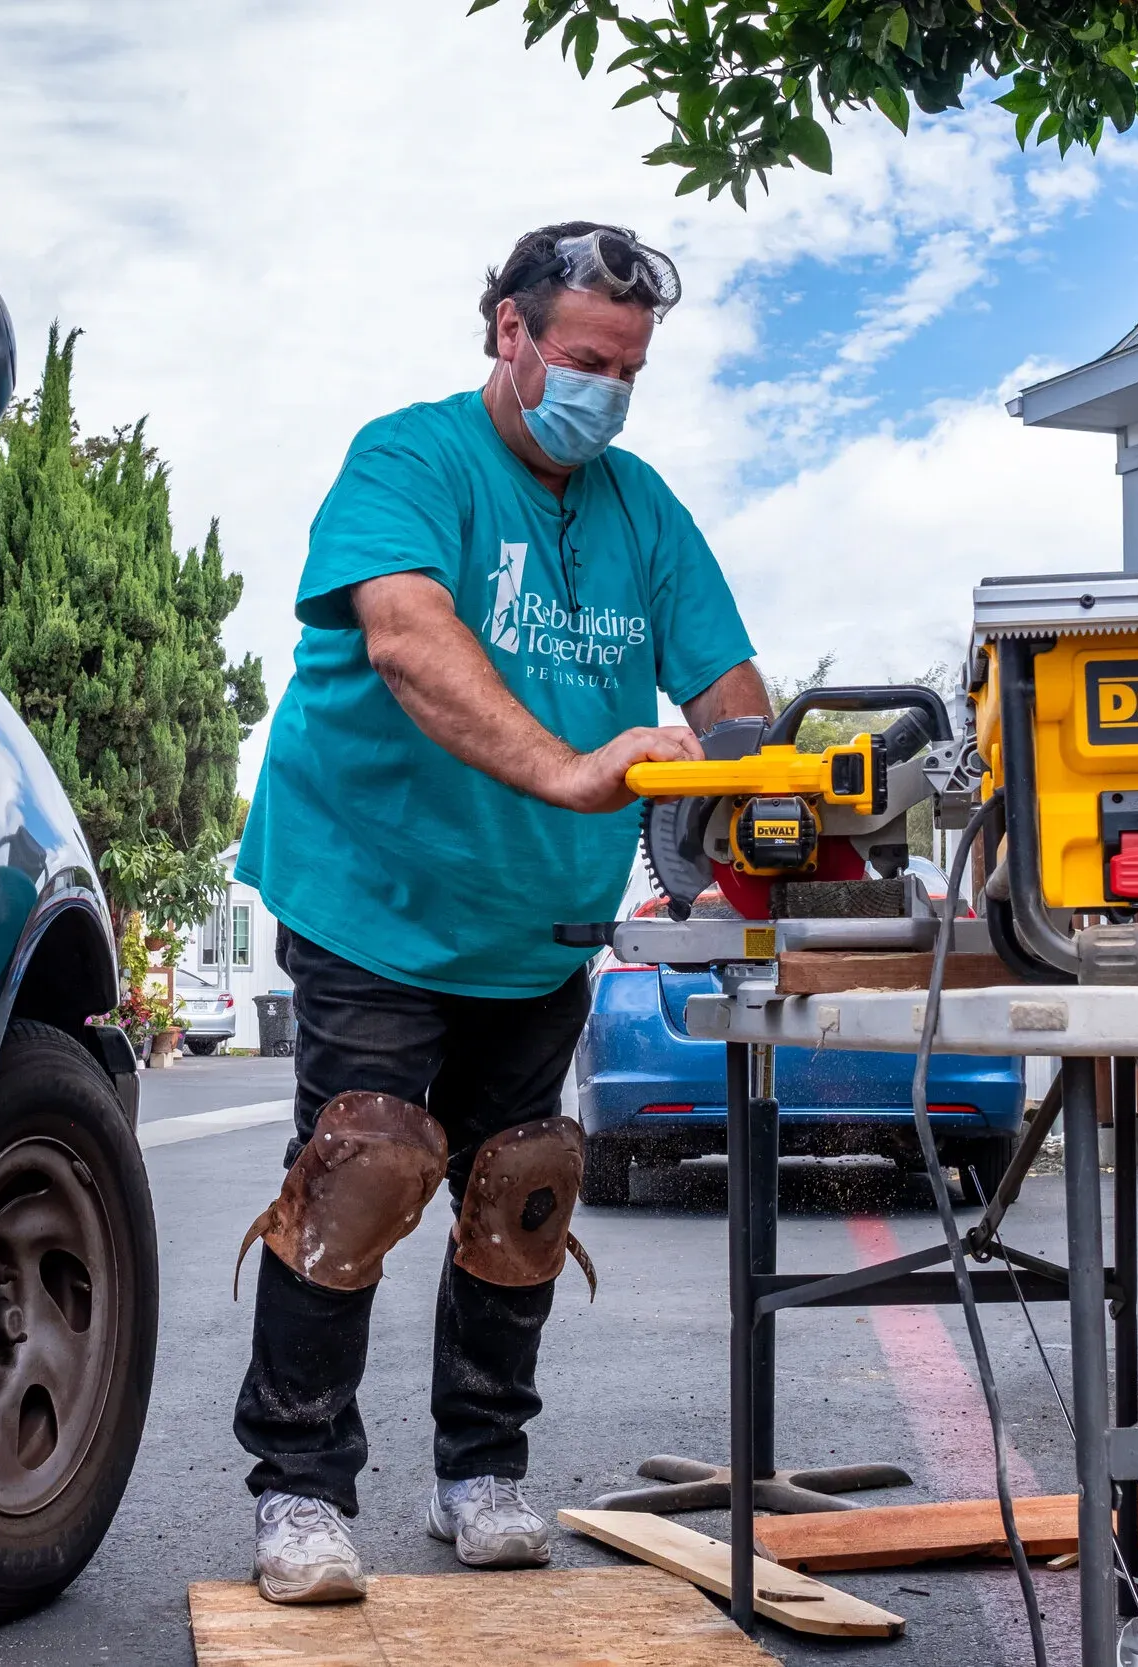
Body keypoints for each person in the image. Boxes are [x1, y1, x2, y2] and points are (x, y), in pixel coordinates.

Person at [231, 221, 768, 1604]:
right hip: (377, 887)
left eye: (630, 370)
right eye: (585, 357)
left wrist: (762, 794)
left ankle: (482, 1470)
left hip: (538, 920)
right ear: (509, 333)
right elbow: (407, 636)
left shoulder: (644, 512)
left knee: (521, 1183)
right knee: (364, 1168)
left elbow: (735, 700)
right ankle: (299, 1488)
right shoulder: (410, 460)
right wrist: (571, 766)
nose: (606, 389)